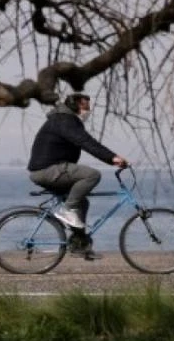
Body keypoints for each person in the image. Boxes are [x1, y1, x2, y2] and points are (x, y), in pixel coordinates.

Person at [27, 93, 130, 260]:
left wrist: (111, 158)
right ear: (75, 106)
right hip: (48, 170)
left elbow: (86, 142)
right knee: (92, 175)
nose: (88, 111)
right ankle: (67, 210)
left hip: (53, 169)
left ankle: (78, 245)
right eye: (86, 107)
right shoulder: (64, 121)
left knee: (82, 202)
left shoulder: (65, 120)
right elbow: (87, 143)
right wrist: (113, 158)